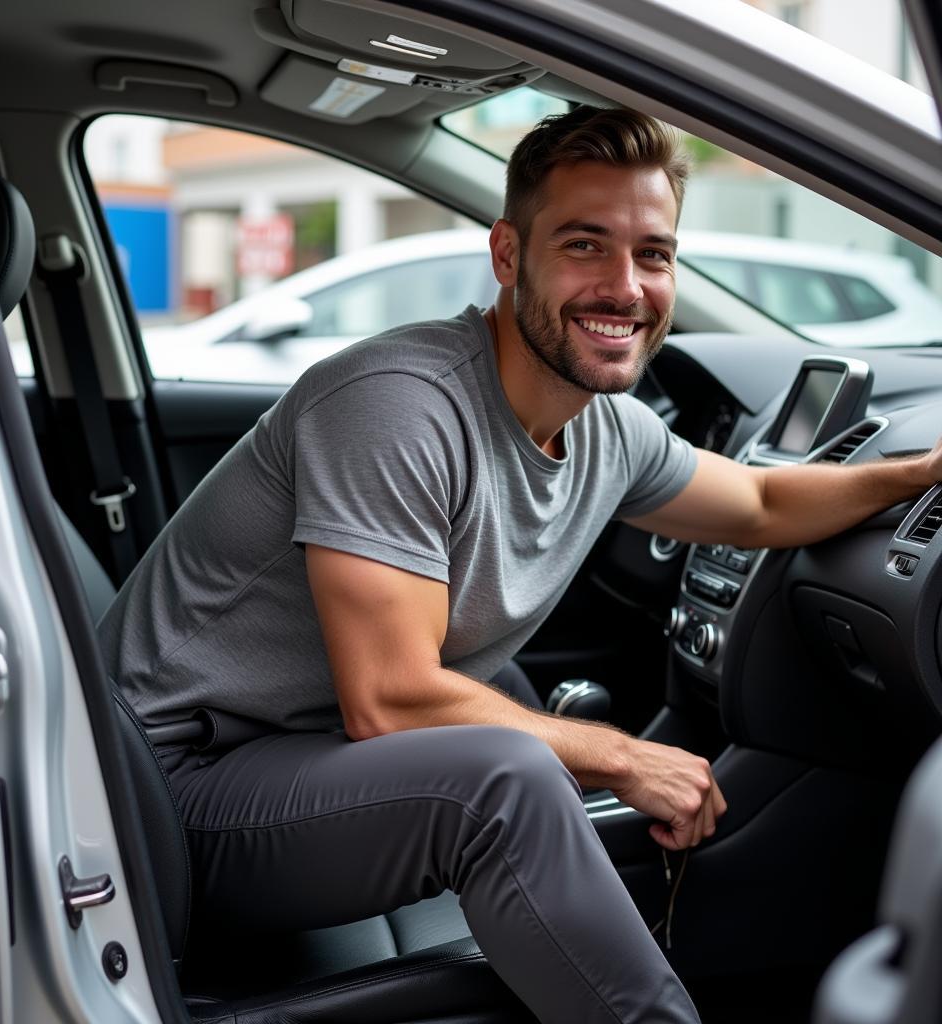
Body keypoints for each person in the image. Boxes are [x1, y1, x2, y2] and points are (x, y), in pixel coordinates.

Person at [98, 105, 942, 1023]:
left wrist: (925, 470)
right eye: (585, 246)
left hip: (291, 761)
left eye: (653, 254)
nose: (625, 286)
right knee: (504, 781)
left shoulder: (606, 426)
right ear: (508, 255)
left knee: (505, 704)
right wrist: (621, 758)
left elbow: (761, 502)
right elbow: (388, 699)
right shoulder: (399, 407)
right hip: (162, 805)